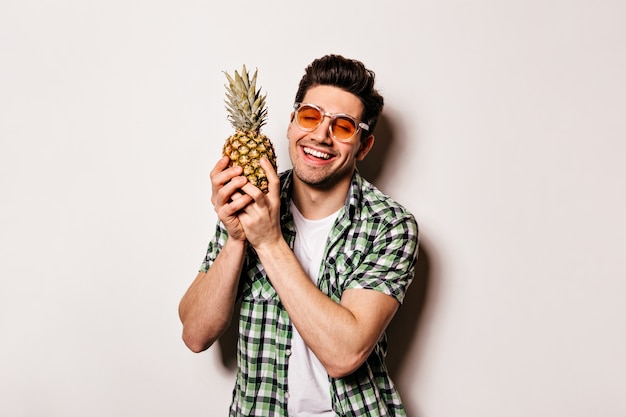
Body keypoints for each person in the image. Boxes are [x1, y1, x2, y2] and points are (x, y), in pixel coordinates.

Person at [178, 54, 419, 416]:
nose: (320, 135)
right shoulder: (249, 201)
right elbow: (195, 335)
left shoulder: (390, 226)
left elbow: (344, 354)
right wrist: (237, 238)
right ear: (291, 124)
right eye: (310, 116)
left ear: (364, 145)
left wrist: (269, 241)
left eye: (342, 127)